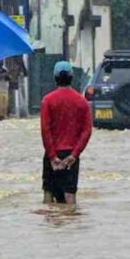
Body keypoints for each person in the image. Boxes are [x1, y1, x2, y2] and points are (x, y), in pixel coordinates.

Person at [40, 61, 92, 204]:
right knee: (70, 195)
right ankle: (71, 226)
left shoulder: (47, 101)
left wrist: (52, 157)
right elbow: (87, 131)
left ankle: (47, 226)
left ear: (55, 78)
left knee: (48, 195)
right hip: (71, 155)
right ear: (72, 78)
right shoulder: (82, 102)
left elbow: (45, 130)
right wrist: (74, 155)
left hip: (53, 155)